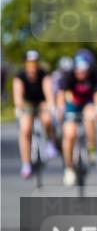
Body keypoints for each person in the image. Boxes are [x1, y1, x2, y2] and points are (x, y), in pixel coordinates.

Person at [59, 55, 97, 185]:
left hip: (88, 103)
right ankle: (69, 168)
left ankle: (92, 150)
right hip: (72, 104)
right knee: (69, 134)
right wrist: (60, 110)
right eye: (79, 71)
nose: (81, 74)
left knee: (90, 116)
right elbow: (61, 96)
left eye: (84, 71)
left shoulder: (95, 75)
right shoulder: (68, 76)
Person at [12, 50, 57, 179]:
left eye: (34, 63)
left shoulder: (44, 75)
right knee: (25, 129)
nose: (32, 66)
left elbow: (48, 92)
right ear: (25, 64)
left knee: (47, 119)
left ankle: (49, 142)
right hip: (28, 104)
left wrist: (51, 105)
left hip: (42, 103)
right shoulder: (20, 77)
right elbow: (18, 96)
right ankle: (26, 164)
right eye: (29, 63)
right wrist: (19, 107)